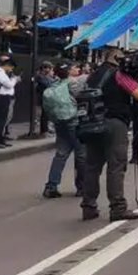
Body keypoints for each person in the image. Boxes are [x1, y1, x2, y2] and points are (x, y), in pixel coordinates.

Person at [80, 48, 138, 221]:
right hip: (114, 122)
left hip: (93, 123)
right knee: (116, 166)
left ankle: (88, 206)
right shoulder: (118, 74)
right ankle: (117, 207)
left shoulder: (93, 75)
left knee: (92, 167)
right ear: (116, 58)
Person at [41, 62, 85, 198]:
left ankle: (51, 186)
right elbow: (83, 98)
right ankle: (82, 187)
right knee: (81, 154)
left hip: (59, 122)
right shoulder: (73, 83)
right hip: (74, 121)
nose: (77, 69)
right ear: (69, 72)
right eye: (74, 68)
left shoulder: (54, 85)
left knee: (60, 154)